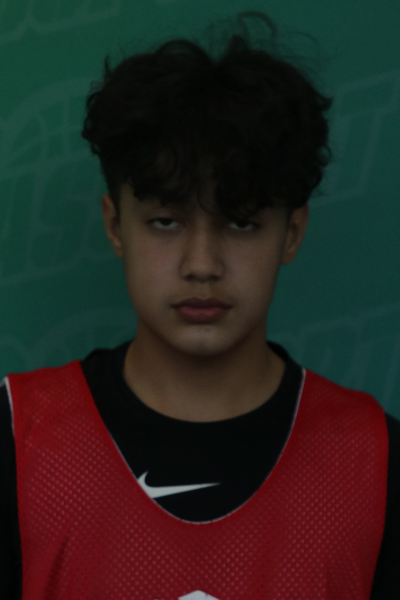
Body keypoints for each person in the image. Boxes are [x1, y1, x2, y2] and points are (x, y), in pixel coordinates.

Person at [0, 10, 399, 600]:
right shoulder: (18, 440)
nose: (202, 264)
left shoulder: (375, 461)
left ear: (292, 233)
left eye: (241, 222)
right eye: (166, 221)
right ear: (115, 226)